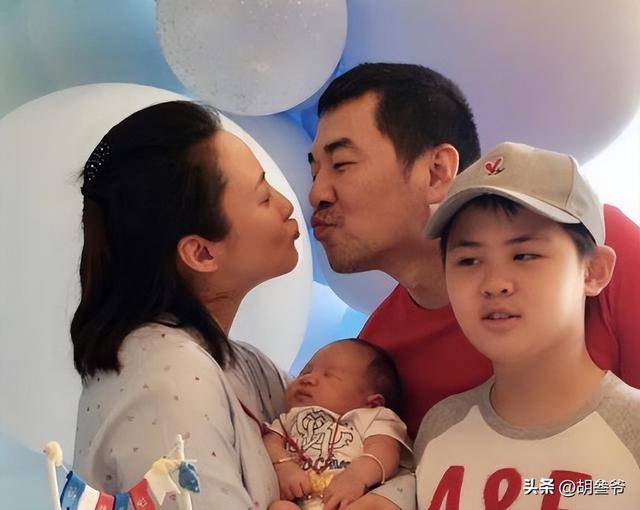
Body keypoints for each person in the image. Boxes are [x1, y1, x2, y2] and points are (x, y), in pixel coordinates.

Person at [71, 101, 412, 510]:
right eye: (263, 196)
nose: (289, 204)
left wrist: (383, 492)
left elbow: (341, 430)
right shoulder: (165, 379)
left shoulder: (240, 363)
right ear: (201, 253)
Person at [309, 62, 640, 438]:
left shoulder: (592, 241)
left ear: (436, 171)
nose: (316, 193)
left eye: (341, 164)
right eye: (314, 172)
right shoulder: (375, 356)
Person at [414, 142, 640, 509]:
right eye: (469, 260)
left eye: (525, 255)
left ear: (593, 271)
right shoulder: (439, 430)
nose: (494, 283)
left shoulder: (632, 431)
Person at [264, 339, 412, 510]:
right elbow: (271, 441)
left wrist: (356, 477)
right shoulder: (289, 419)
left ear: (372, 403)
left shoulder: (372, 416)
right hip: (302, 501)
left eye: (329, 375)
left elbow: (385, 450)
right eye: (305, 372)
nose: (307, 379)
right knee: (279, 507)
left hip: (355, 499)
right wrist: (283, 465)